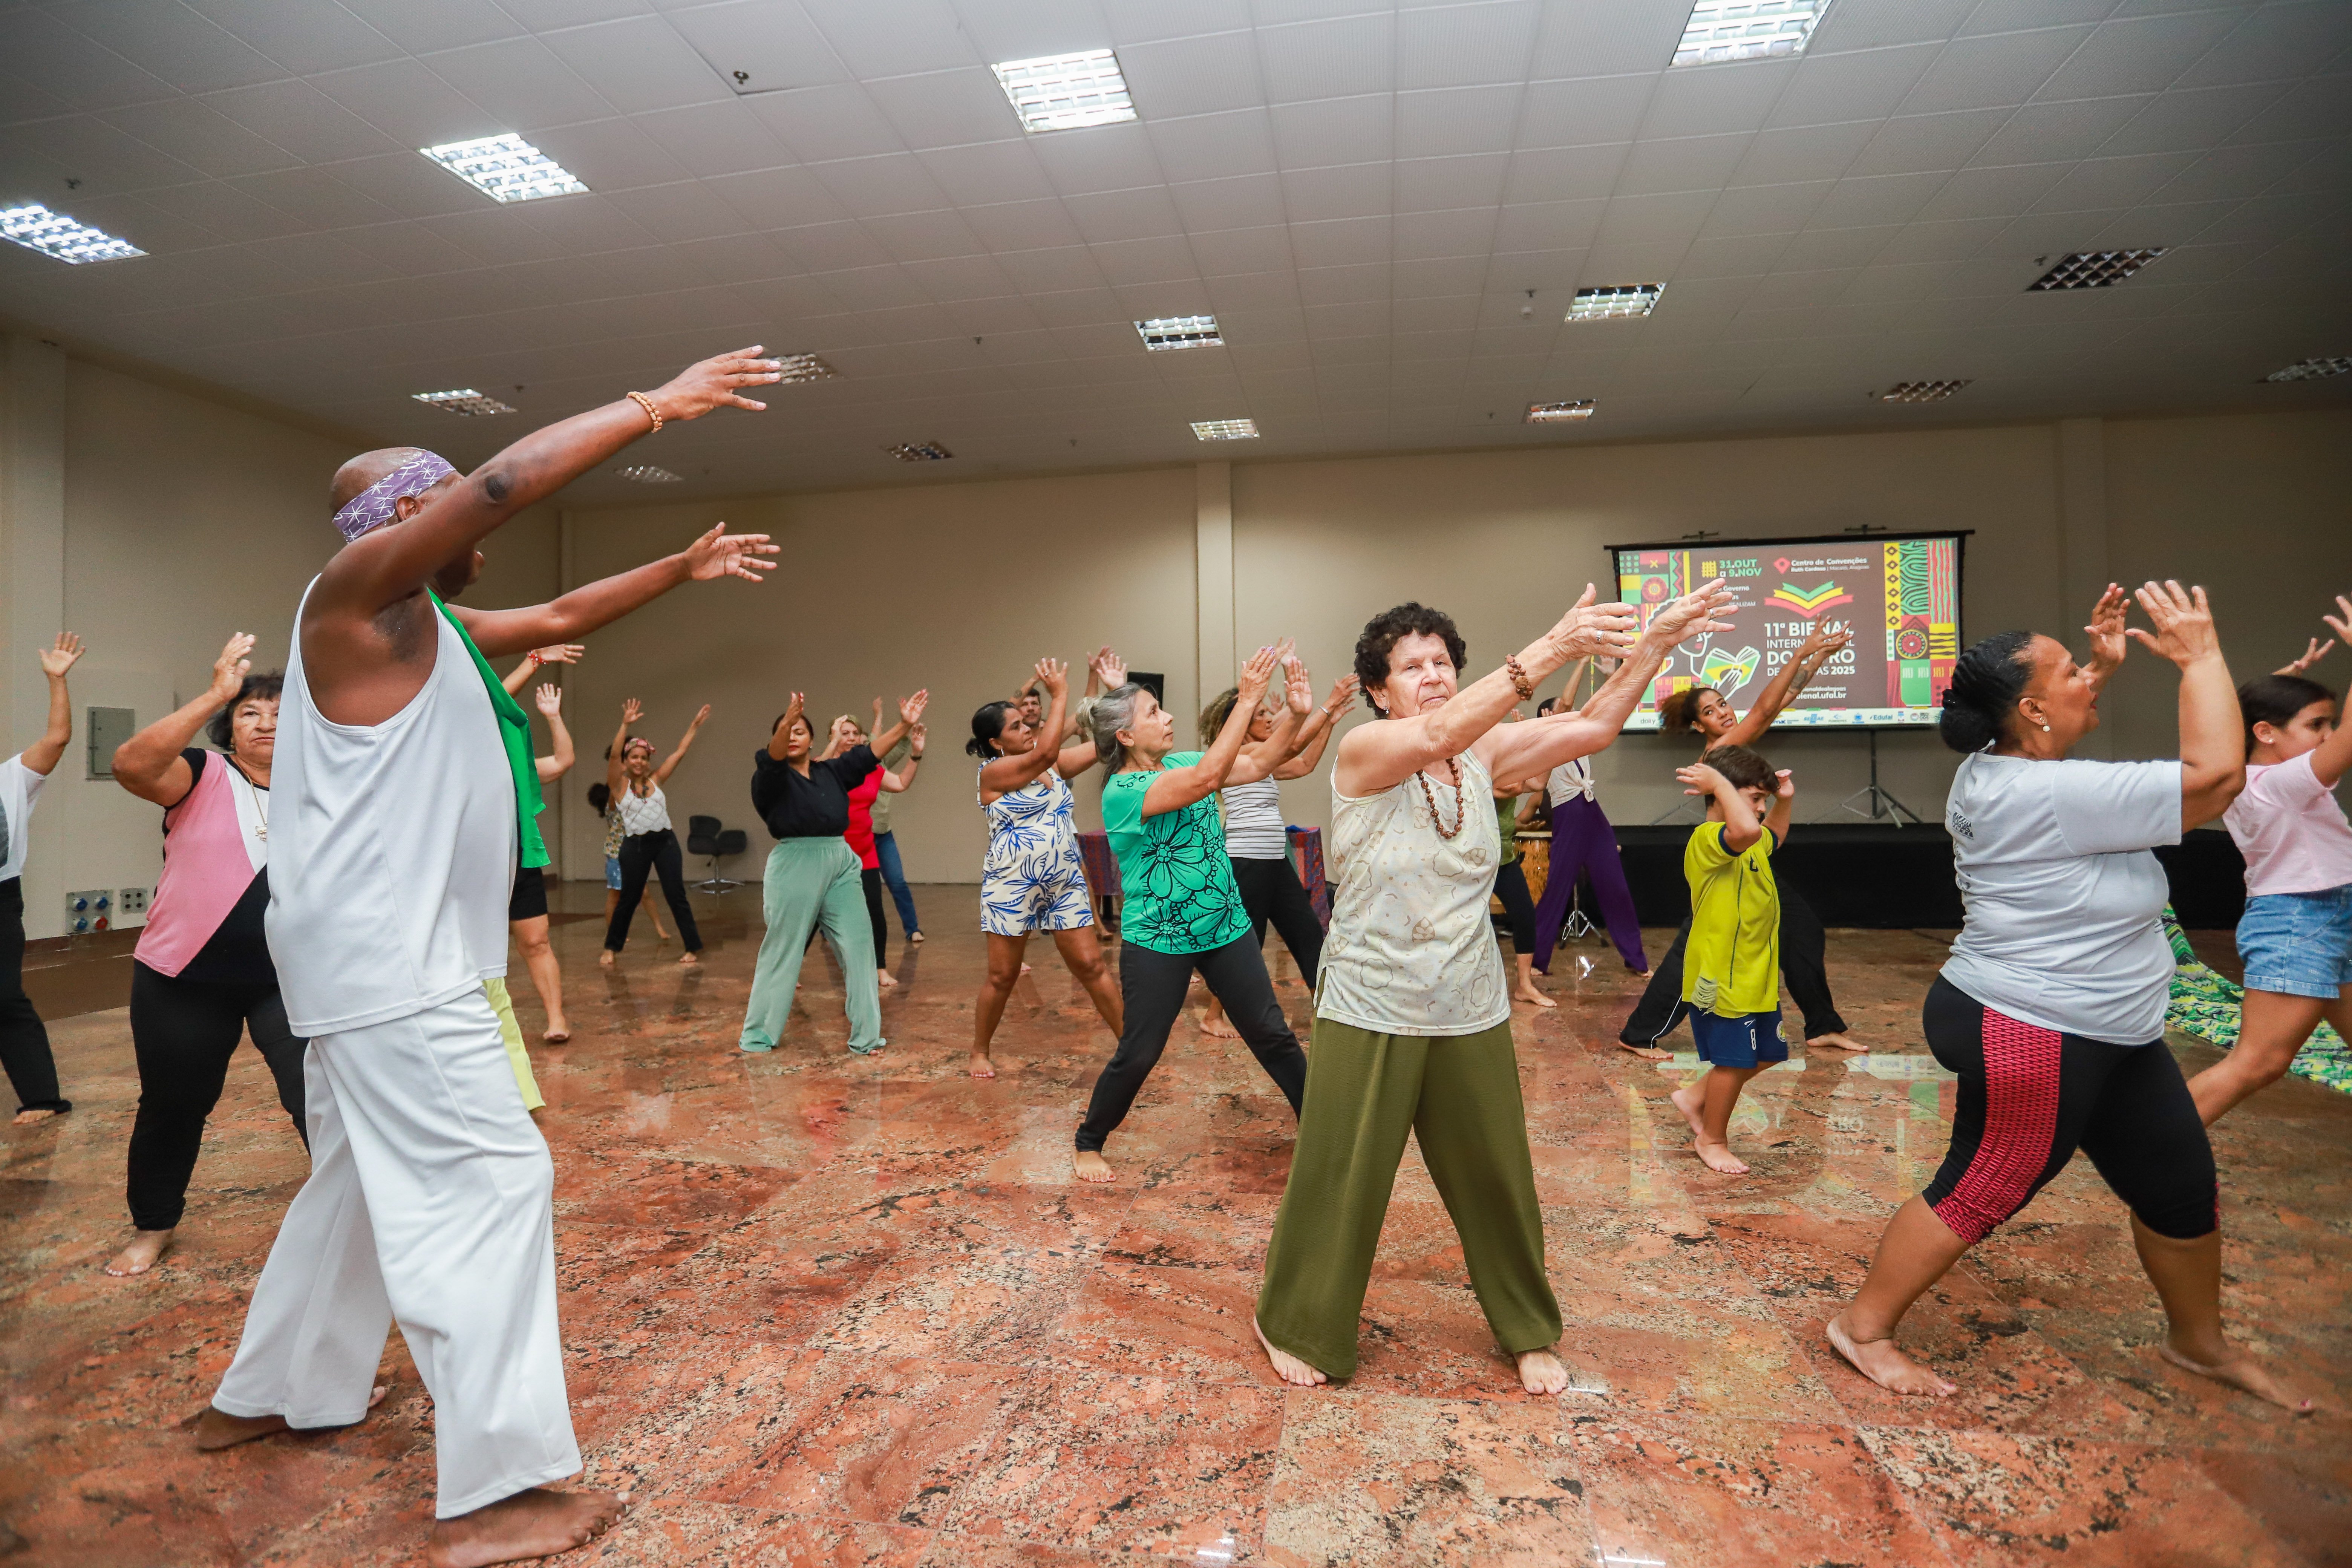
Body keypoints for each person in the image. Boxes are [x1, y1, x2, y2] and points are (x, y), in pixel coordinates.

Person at [195, 345, 786, 1568]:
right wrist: (658, 404)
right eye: (448, 496)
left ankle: (277, 1391)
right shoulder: (352, 598)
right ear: (412, 513)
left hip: (362, 970)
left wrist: (677, 569)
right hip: (396, 970)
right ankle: (499, 1494)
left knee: (355, 1188)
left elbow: (561, 620)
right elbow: (505, 485)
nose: (477, 520)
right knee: (491, 1184)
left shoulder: (433, 625)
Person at [1825, 582, 2308, 1413]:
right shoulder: (2048, 794)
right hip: (2032, 1023)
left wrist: (2098, 673)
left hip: (2110, 1027)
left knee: (2179, 1183)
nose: (2087, 676)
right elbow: (2218, 776)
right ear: (2031, 711)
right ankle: (1861, 1329)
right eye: (2070, 673)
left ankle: (2198, 1343)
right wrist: (2199, 656)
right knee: (1984, 1186)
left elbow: (2048, 732)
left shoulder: (2005, 766)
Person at [1253, 582, 1732, 1396]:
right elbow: (1437, 731)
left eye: (1443, 661)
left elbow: (1595, 727)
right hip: (1372, 999)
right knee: (1341, 1174)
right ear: (1379, 690)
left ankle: (1527, 1327)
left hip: (1468, 1000)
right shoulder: (1366, 750)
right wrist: (1555, 646)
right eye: (1412, 667)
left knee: (1496, 1177)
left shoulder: (1483, 754)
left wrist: (1656, 647)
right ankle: (1294, 1319)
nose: (1433, 676)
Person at [1078, 645, 1322, 1180]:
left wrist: (1297, 715)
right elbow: (1208, 779)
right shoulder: (1123, 791)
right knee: (1140, 1052)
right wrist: (1248, 699)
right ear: (1126, 736)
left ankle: (1319, 1125)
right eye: (1154, 712)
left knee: (1271, 1032)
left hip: (1224, 925)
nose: (1167, 718)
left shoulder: (1179, 761)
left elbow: (1257, 762)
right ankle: (1089, 1140)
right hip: (1159, 937)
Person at [100, 635, 303, 1276]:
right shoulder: (201, 773)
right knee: (172, 1107)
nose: (266, 722)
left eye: (281, 712)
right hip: (183, 977)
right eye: (250, 712)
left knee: (321, 1101)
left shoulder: (325, 788)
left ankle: (360, 1220)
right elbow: (130, 764)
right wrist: (217, 691)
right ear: (228, 726)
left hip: (291, 978)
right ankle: (153, 1226)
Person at [1619, 622, 1861, 1055]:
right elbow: (1764, 711)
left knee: (1800, 930)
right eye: (1711, 711)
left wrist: (1818, 659)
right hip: (1725, 856)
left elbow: (1780, 701)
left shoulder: (1730, 751)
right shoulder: (1717, 754)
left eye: (1723, 703)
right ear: (1699, 726)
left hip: (1751, 855)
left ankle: (1822, 1024)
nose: (1723, 713)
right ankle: (1639, 1033)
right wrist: (1800, 651)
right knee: (1693, 950)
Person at [2188, 593, 2352, 1123]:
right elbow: (2349, 743)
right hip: (2298, 920)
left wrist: (2283, 682)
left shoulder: (2251, 774)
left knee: (2260, 1062)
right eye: (2317, 724)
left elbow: (2237, 722)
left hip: (2331, 912)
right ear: (2265, 733)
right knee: (2258, 1063)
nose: (2327, 735)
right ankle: (2146, 1153)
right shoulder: (2277, 784)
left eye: (2329, 723)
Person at [740, 689, 926, 1057]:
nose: (792, 735)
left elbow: (869, 754)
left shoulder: (831, 772)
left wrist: (904, 725)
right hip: (796, 862)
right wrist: (789, 718)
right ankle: (758, 1035)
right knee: (783, 950)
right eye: (785, 731)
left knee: (860, 946)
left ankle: (867, 1037)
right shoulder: (770, 776)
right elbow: (775, 755)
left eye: (799, 730)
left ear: (812, 740)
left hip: (841, 859)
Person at [969, 656, 1125, 1079]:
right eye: (1016, 727)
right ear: (996, 742)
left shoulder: (1052, 767)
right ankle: (980, 1051)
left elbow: (1111, 742)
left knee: (1092, 966)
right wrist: (1060, 695)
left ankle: (1130, 1045)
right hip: (1011, 886)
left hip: (1064, 882)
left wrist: (1117, 693)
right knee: (1002, 976)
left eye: (1027, 723)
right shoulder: (994, 773)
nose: (1027, 728)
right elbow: (1046, 752)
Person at [1194, 672, 1359, 1039]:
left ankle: (1324, 1011)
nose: (1269, 718)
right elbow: (1292, 747)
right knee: (1246, 942)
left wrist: (1329, 723)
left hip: (1273, 860)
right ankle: (1213, 1015)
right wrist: (1328, 704)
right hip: (1246, 861)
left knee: (1307, 932)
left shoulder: (1263, 759)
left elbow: (1304, 764)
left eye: (1269, 714)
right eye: (1261, 715)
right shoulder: (1236, 753)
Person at [1663, 745, 1797, 1175]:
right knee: (1734, 1060)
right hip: (1721, 976)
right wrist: (1721, 785)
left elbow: (1772, 836)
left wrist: (1783, 801)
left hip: (1754, 975)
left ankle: (1693, 1097)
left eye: (1763, 800)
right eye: (1754, 798)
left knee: (1770, 1053)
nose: (1761, 809)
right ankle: (1712, 1139)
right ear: (1720, 795)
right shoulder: (1709, 840)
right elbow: (1746, 829)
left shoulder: (1752, 841)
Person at [1, 633, 81, 1126]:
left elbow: (57, 740)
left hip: (0, 900)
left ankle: (41, 1098)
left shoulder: (10, 779)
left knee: (4, 998)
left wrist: (57, 680)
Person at [1529, 677, 1648, 980]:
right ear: (1549, 717)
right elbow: (1568, 703)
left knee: (1616, 886)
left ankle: (1635, 959)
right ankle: (1536, 960)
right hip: (1569, 814)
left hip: (1592, 811)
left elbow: (1601, 708)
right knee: (1557, 889)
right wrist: (1582, 662)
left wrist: (1619, 679)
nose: (1570, 712)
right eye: (1561, 710)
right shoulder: (1544, 744)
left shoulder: (1579, 740)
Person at [498, 650, 583, 1043]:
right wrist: (534, 660)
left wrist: (552, 716)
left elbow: (564, 760)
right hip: (474, 862)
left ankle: (556, 1018)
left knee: (536, 940)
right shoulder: (461, 755)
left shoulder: (519, 767)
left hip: (520, 858)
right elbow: (493, 700)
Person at [600, 699, 709, 967]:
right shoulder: (618, 785)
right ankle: (611, 948)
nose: (639, 761)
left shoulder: (656, 779)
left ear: (648, 761)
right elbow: (613, 756)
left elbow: (680, 752)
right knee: (629, 898)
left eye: (644, 757)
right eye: (634, 757)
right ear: (627, 761)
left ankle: (692, 947)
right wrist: (625, 725)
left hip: (665, 843)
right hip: (635, 846)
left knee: (676, 895)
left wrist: (695, 725)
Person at [819, 712, 923, 990]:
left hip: (864, 851)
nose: (851, 738)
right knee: (810, 917)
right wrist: (833, 742)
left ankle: (880, 969)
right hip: (831, 853)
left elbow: (900, 784)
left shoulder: (870, 769)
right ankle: (789, 973)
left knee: (875, 912)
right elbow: (814, 778)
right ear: (832, 736)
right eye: (844, 733)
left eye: (855, 733)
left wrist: (916, 754)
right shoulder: (824, 768)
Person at [1489, 743, 1554, 1009]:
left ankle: (1525, 986)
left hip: (1505, 859)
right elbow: (1513, 787)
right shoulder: (1479, 777)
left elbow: (1538, 783)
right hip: (1474, 861)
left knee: (1525, 915)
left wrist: (1550, 743)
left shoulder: (1510, 775)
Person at [865, 697, 924, 948]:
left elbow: (898, 749)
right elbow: (874, 741)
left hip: (883, 834)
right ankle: (829, 928)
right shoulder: (847, 767)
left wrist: (907, 728)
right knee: (854, 888)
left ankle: (913, 928)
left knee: (897, 882)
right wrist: (878, 716)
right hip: (859, 838)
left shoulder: (879, 764)